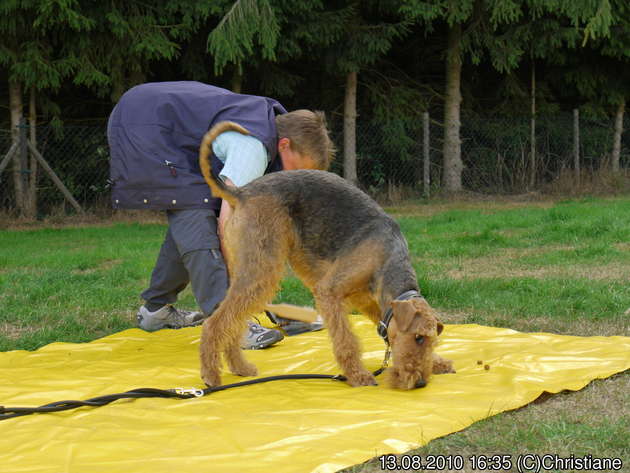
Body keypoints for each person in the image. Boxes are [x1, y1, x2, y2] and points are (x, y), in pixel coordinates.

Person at [107, 81, 335, 349]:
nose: (292, 178)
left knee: (195, 215)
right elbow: (227, 227)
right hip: (142, 124)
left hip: (151, 120)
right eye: (295, 169)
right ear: (284, 145)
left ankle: (155, 312)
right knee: (196, 210)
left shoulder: (267, 129)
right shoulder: (253, 147)